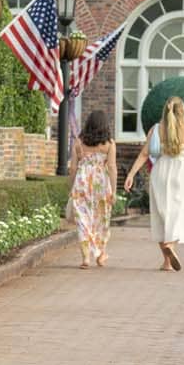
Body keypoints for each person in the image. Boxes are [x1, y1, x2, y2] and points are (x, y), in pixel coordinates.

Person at [123, 96, 184, 272]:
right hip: (181, 172)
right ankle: (171, 245)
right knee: (178, 212)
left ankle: (167, 262)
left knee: (161, 213)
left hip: (160, 171)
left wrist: (131, 174)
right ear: (182, 111)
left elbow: (144, 154)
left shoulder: (156, 130)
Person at [69, 109, 117, 268]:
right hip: (101, 184)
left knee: (83, 220)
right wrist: (114, 190)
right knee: (101, 219)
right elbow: (111, 167)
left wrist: (71, 188)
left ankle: (86, 257)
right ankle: (101, 253)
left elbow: (73, 168)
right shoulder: (109, 144)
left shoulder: (78, 142)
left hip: (82, 183)